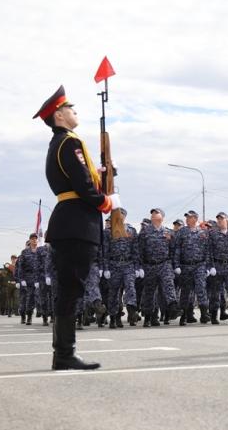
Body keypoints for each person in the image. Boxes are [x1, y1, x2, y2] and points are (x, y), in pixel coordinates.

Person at [34, 84, 119, 370]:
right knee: (71, 290)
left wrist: (104, 173)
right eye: (69, 108)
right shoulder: (69, 142)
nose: (74, 111)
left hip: (72, 222)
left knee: (70, 289)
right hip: (76, 223)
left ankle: (63, 353)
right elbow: (82, 184)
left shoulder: (61, 143)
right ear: (58, 115)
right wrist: (106, 201)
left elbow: (81, 176)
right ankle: (64, 354)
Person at [138, 207, 179, 327]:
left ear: (162, 217)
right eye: (152, 214)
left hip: (164, 264)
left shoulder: (168, 232)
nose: (154, 215)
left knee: (169, 285)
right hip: (149, 265)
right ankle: (148, 317)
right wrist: (140, 266)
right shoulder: (145, 232)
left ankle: (173, 308)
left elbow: (173, 249)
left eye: (156, 213)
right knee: (149, 292)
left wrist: (172, 264)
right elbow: (140, 250)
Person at [101, 208, 141, 327]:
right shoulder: (108, 232)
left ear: (124, 216)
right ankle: (114, 317)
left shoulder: (131, 230)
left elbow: (135, 250)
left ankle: (132, 311)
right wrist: (106, 268)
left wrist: (137, 267)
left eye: (121, 215)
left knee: (130, 287)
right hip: (114, 265)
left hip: (128, 264)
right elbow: (105, 251)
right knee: (114, 293)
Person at [173, 210, 211, 325]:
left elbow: (207, 250)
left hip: (199, 265)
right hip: (185, 266)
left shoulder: (203, 232)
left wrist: (207, 266)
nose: (187, 219)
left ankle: (204, 314)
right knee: (185, 291)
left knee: (201, 289)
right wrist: (176, 265)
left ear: (195, 219)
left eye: (189, 217)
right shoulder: (182, 232)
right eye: (187, 217)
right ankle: (184, 316)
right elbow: (177, 249)